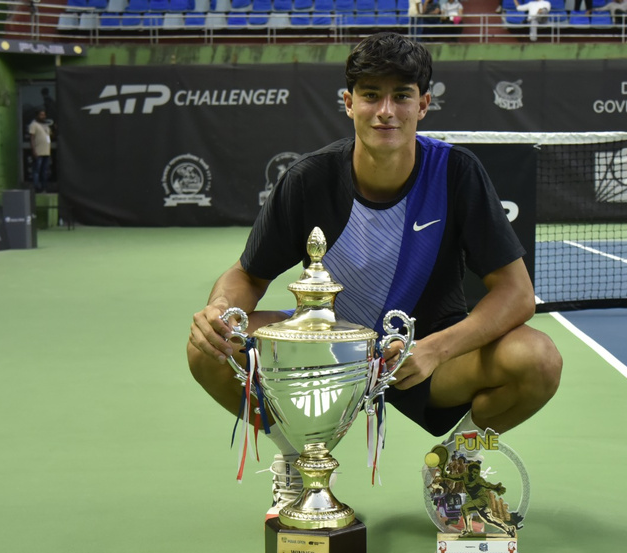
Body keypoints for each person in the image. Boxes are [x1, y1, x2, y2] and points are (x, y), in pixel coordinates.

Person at [187, 32, 563, 519]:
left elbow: (517, 294)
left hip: (426, 360)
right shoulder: (308, 179)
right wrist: (221, 311)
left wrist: (433, 349)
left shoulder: (456, 173)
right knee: (208, 349)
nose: (386, 110)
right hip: (326, 357)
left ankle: (454, 463)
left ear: (423, 105)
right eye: (371, 95)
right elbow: (247, 275)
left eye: (401, 96)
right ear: (349, 103)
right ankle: (300, 457)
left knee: (537, 359)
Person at [28, 110, 53, 193]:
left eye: (44, 115)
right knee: (37, 171)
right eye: (41, 115)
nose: (43, 116)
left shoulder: (46, 126)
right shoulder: (34, 125)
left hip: (46, 152)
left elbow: (50, 136)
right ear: (37, 115)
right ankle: (36, 188)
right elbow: (31, 138)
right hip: (38, 152)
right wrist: (33, 150)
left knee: (44, 171)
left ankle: (44, 188)